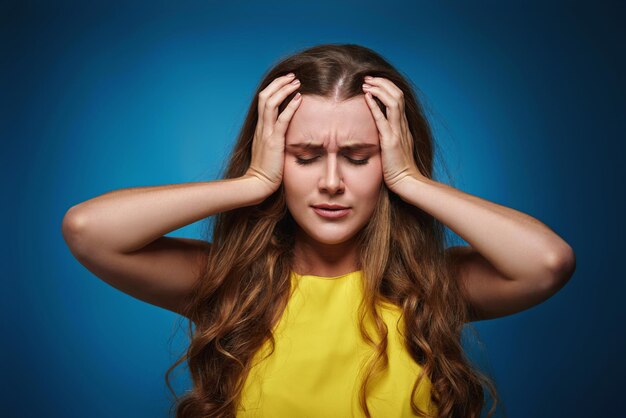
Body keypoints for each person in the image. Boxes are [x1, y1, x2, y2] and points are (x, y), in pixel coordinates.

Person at [61, 44, 576, 418]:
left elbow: (547, 262)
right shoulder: (231, 283)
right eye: (305, 157)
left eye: (358, 157)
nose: (331, 182)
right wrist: (252, 183)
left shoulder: (432, 286)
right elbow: (88, 230)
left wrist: (410, 179)